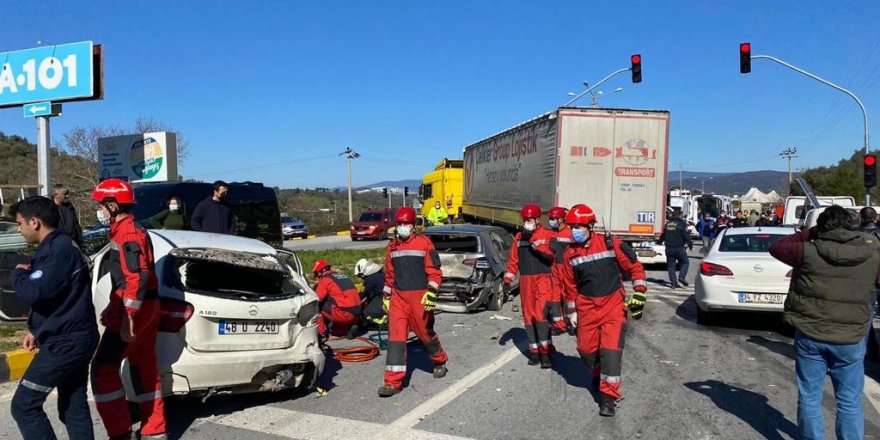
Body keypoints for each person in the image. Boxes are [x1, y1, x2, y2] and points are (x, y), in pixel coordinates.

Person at [769, 205, 879, 439]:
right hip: (851, 336)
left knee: (809, 396)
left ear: (821, 227)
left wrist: (809, 232)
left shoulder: (807, 251)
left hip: (811, 332)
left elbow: (777, 247)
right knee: (849, 401)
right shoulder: (872, 254)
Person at [9, 196, 98, 440]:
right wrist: (36, 329)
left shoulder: (59, 251)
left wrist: (17, 275)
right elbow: (58, 297)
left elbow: (34, 291)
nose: (19, 229)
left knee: (24, 406)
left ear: (34, 222)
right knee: (72, 406)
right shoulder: (56, 247)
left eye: (19, 223)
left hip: (67, 342)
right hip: (71, 336)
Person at [89, 178, 167, 440]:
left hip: (136, 311)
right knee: (144, 367)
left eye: (101, 204)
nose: (98, 209)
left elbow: (136, 278)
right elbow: (127, 278)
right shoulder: (129, 229)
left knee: (103, 370)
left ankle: (120, 432)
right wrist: (114, 308)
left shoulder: (127, 232)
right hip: (144, 307)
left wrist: (127, 317)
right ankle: (155, 430)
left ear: (112, 204)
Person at [560, 204, 647, 417]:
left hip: (613, 307)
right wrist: (573, 312)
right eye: (572, 226)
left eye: (579, 226)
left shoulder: (611, 244)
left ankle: (608, 397)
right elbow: (570, 286)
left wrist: (640, 291)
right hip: (586, 308)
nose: (575, 230)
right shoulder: (569, 254)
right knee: (586, 350)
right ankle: (598, 374)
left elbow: (635, 267)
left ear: (591, 225)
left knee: (610, 353)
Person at [379, 206, 448, 397]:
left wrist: (432, 292)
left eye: (405, 224)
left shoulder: (425, 244)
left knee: (425, 334)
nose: (402, 227)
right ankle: (392, 382)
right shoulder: (392, 247)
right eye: (399, 224)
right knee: (396, 339)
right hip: (399, 299)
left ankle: (439, 360)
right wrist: (386, 296)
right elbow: (390, 276)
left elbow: (434, 272)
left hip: (419, 298)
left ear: (413, 225)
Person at [503, 204, 555, 368]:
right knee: (528, 317)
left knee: (540, 316)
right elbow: (513, 260)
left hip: (543, 280)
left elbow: (550, 256)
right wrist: (507, 280)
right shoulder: (519, 238)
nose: (527, 222)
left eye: (529, 220)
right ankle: (534, 352)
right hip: (526, 281)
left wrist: (532, 240)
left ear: (538, 219)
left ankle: (546, 353)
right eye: (525, 220)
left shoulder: (547, 235)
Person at [313, 259, 362, 340]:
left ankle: (322, 333)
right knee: (334, 302)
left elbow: (316, 299)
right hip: (357, 313)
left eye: (316, 274)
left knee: (316, 306)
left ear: (319, 272)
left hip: (345, 315)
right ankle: (347, 328)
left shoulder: (325, 280)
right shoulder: (342, 276)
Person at [548, 206, 573, 335]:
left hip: (567, 268)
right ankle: (559, 324)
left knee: (569, 296)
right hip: (555, 268)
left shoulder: (570, 233)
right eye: (550, 218)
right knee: (555, 297)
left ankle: (572, 323)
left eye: (553, 219)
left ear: (561, 219)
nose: (551, 221)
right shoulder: (551, 233)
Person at [859, 207, 880, 362]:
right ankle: (871, 350)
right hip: (877, 279)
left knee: (866, 317)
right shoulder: (878, 233)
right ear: (875, 217)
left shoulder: (855, 235)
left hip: (865, 280)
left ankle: (868, 350)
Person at [658, 210, 693, 288]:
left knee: (671, 266)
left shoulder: (667, 224)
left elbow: (663, 235)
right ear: (680, 215)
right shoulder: (682, 224)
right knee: (685, 262)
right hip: (679, 248)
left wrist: (659, 242)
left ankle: (673, 283)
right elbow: (686, 236)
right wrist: (690, 245)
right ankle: (681, 276)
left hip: (669, 249)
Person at [355, 258, 387, 325]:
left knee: (365, 313)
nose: (361, 277)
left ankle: (375, 322)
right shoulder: (381, 274)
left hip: (383, 299)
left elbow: (362, 295)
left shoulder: (370, 279)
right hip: (388, 297)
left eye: (360, 275)